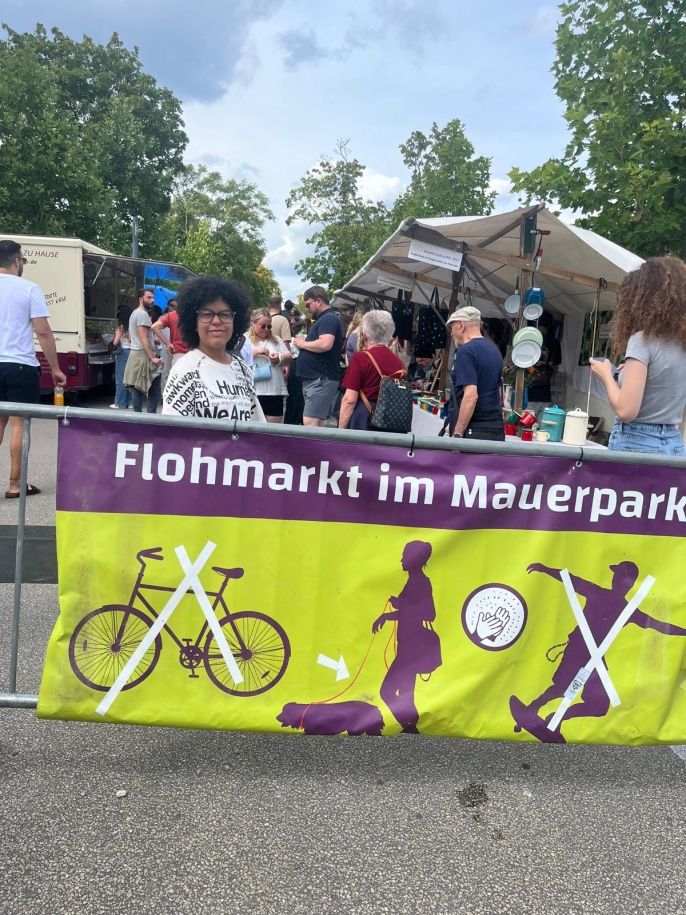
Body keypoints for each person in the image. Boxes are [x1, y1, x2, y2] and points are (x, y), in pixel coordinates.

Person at [510, 560, 686, 743]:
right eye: (615, 576)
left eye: (619, 576)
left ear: (629, 584)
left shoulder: (628, 610)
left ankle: (556, 718)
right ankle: (533, 711)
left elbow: (658, 625)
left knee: (598, 705)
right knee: (563, 689)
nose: (615, 579)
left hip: (595, 658)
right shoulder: (597, 593)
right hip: (578, 650)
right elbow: (571, 580)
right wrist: (545, 569)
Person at [589, 256, 686, 455]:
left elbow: (626, 411)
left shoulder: (642, 341)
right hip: (673, 443)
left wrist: (607, 375)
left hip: (637, 443)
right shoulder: (681, 342)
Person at [0, 239, 67, 499]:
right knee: (19, 423)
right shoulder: (29, 289)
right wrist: (56, 368)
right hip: (20, 365)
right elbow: (43, 332)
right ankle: (16, 484)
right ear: (17, 261)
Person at [163, 275, 265, 422]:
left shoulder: (242, 368)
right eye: (207, 314)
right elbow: (175, 435)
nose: (216, 321)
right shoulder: (184, 370)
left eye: (225, 314)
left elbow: (257, 426)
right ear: (194, 322)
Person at [372, 541, 441, 734]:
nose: (402, 559)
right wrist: (389, 614)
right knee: (404, 692)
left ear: (414, 559)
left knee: (387, 691)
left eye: (405, 555)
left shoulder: (420, 581)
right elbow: (408, 610)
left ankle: (410, 725)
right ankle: (411, 728)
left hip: (412, 647)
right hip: (407, 646)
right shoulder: (413, 580)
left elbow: (430, 613)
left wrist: (397, 608)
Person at [338, 310, 404, 430]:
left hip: (364, 420)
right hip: (390, 422)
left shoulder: (361, 358)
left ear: (365, 335)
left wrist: (340, 432)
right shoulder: (398, 363)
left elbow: (349, 400)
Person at [447, 305, 504, 441]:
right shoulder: (494, 350)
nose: (451, 333)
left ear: (461, 325)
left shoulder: (466, 351)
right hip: (495, 426)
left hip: (474, 428)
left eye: (452, 327)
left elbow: (471, 396)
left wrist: (458, 433)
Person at [293, 286, 343, 427]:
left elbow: (325, 344)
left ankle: (310, 450)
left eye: (308, 305)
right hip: (317, 379)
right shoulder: (327, 319)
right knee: (317, 422)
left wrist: (302, 344)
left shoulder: (328, 319)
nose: (307, 309)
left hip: (320, 378)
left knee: (311, 422)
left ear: (318, 301)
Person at [123, 288, 163, 413]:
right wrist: (152, 357)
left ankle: (137, 420)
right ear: (141, 299)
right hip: (143, 355)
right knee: (153, 389)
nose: (152, 300)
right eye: (149, 297)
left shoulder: (134, 313)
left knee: (137, 388)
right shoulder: (142, 314)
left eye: (153, 298)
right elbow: (143, 337)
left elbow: (131, 337)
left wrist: (151, 340)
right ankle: (150, 420)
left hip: (135, 353)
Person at [248, 307, 291, 423]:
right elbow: (236, 358)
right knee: (253, 431)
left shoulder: (276, 340)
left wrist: (279, 357)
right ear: (253, 324)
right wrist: (257, 352)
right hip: (253, 392)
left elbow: (289, 357)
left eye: (269, 326)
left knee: (273, 431)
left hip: (274, 391)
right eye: (263, 326)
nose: (266, 329)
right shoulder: (245, 339)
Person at [110, 304, 133, 409]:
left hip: (123, 353)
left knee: (120, 379)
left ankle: (120, 403)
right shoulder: (133, 325)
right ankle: (130, 402)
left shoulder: (121, 326)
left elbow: (115, 342)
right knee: (130, 379)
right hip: (132, 352)